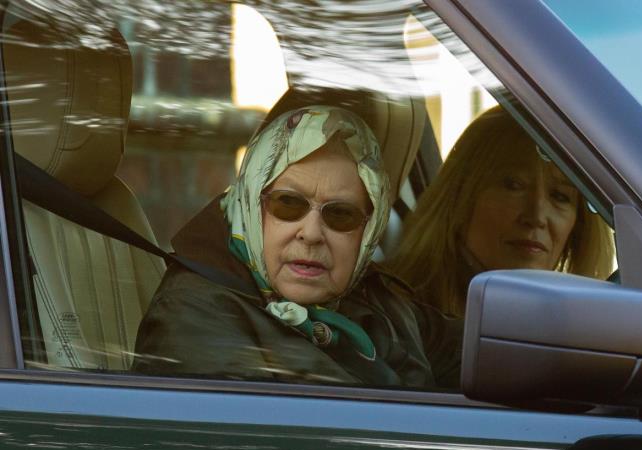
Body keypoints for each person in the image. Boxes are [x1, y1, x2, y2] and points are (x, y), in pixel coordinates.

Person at [132, 105, 462, 388]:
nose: (312, 233)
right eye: (288, 204)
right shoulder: (194, 314)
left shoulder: (373, 298)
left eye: (341, 214)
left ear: (367, 230)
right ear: (251, 208)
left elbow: (472, 349)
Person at [388, 105, 615, 317]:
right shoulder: (394, 316)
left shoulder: (570, 326)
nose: (536, 216)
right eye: (513, 185)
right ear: (462, 196)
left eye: (559, 196)